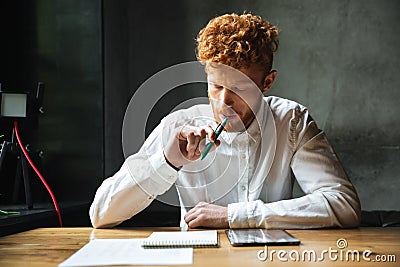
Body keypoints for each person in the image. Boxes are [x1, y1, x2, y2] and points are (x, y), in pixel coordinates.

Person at [89, 13, 361, 229]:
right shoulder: (179, 125)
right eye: (216, 86)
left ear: (267, 82)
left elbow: (344, 206)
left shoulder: (291, 122)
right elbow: (101, 214)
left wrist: (234, 216)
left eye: (240, 89)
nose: (224, 102)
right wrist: (167, 162)